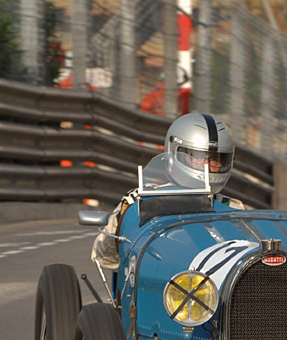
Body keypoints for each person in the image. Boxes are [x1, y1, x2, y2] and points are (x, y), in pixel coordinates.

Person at [91, 113, 241, 271]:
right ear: (174, 153)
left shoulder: (232, 208)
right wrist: (122, 223)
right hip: (155, 277)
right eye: (198, 157)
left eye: (215, 159)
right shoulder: (141, 199)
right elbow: (103, 257)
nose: (208, 166)